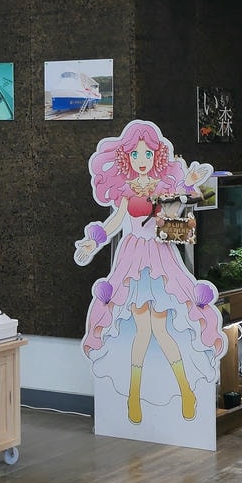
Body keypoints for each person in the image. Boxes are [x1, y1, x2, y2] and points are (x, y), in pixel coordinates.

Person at [74, 120, 224, 424]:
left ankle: (185, 390)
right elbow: (115, 222)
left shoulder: (164, 187)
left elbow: (175, 215)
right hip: (132, 262)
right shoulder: (126, 192)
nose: (141, 161)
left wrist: (186, 186)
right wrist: (93, 242)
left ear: (156, 157)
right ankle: (134, 397)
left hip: (161, 260)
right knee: (143, 331)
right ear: (126, 158)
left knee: (160, 328)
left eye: (146, 155)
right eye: (135, 155)